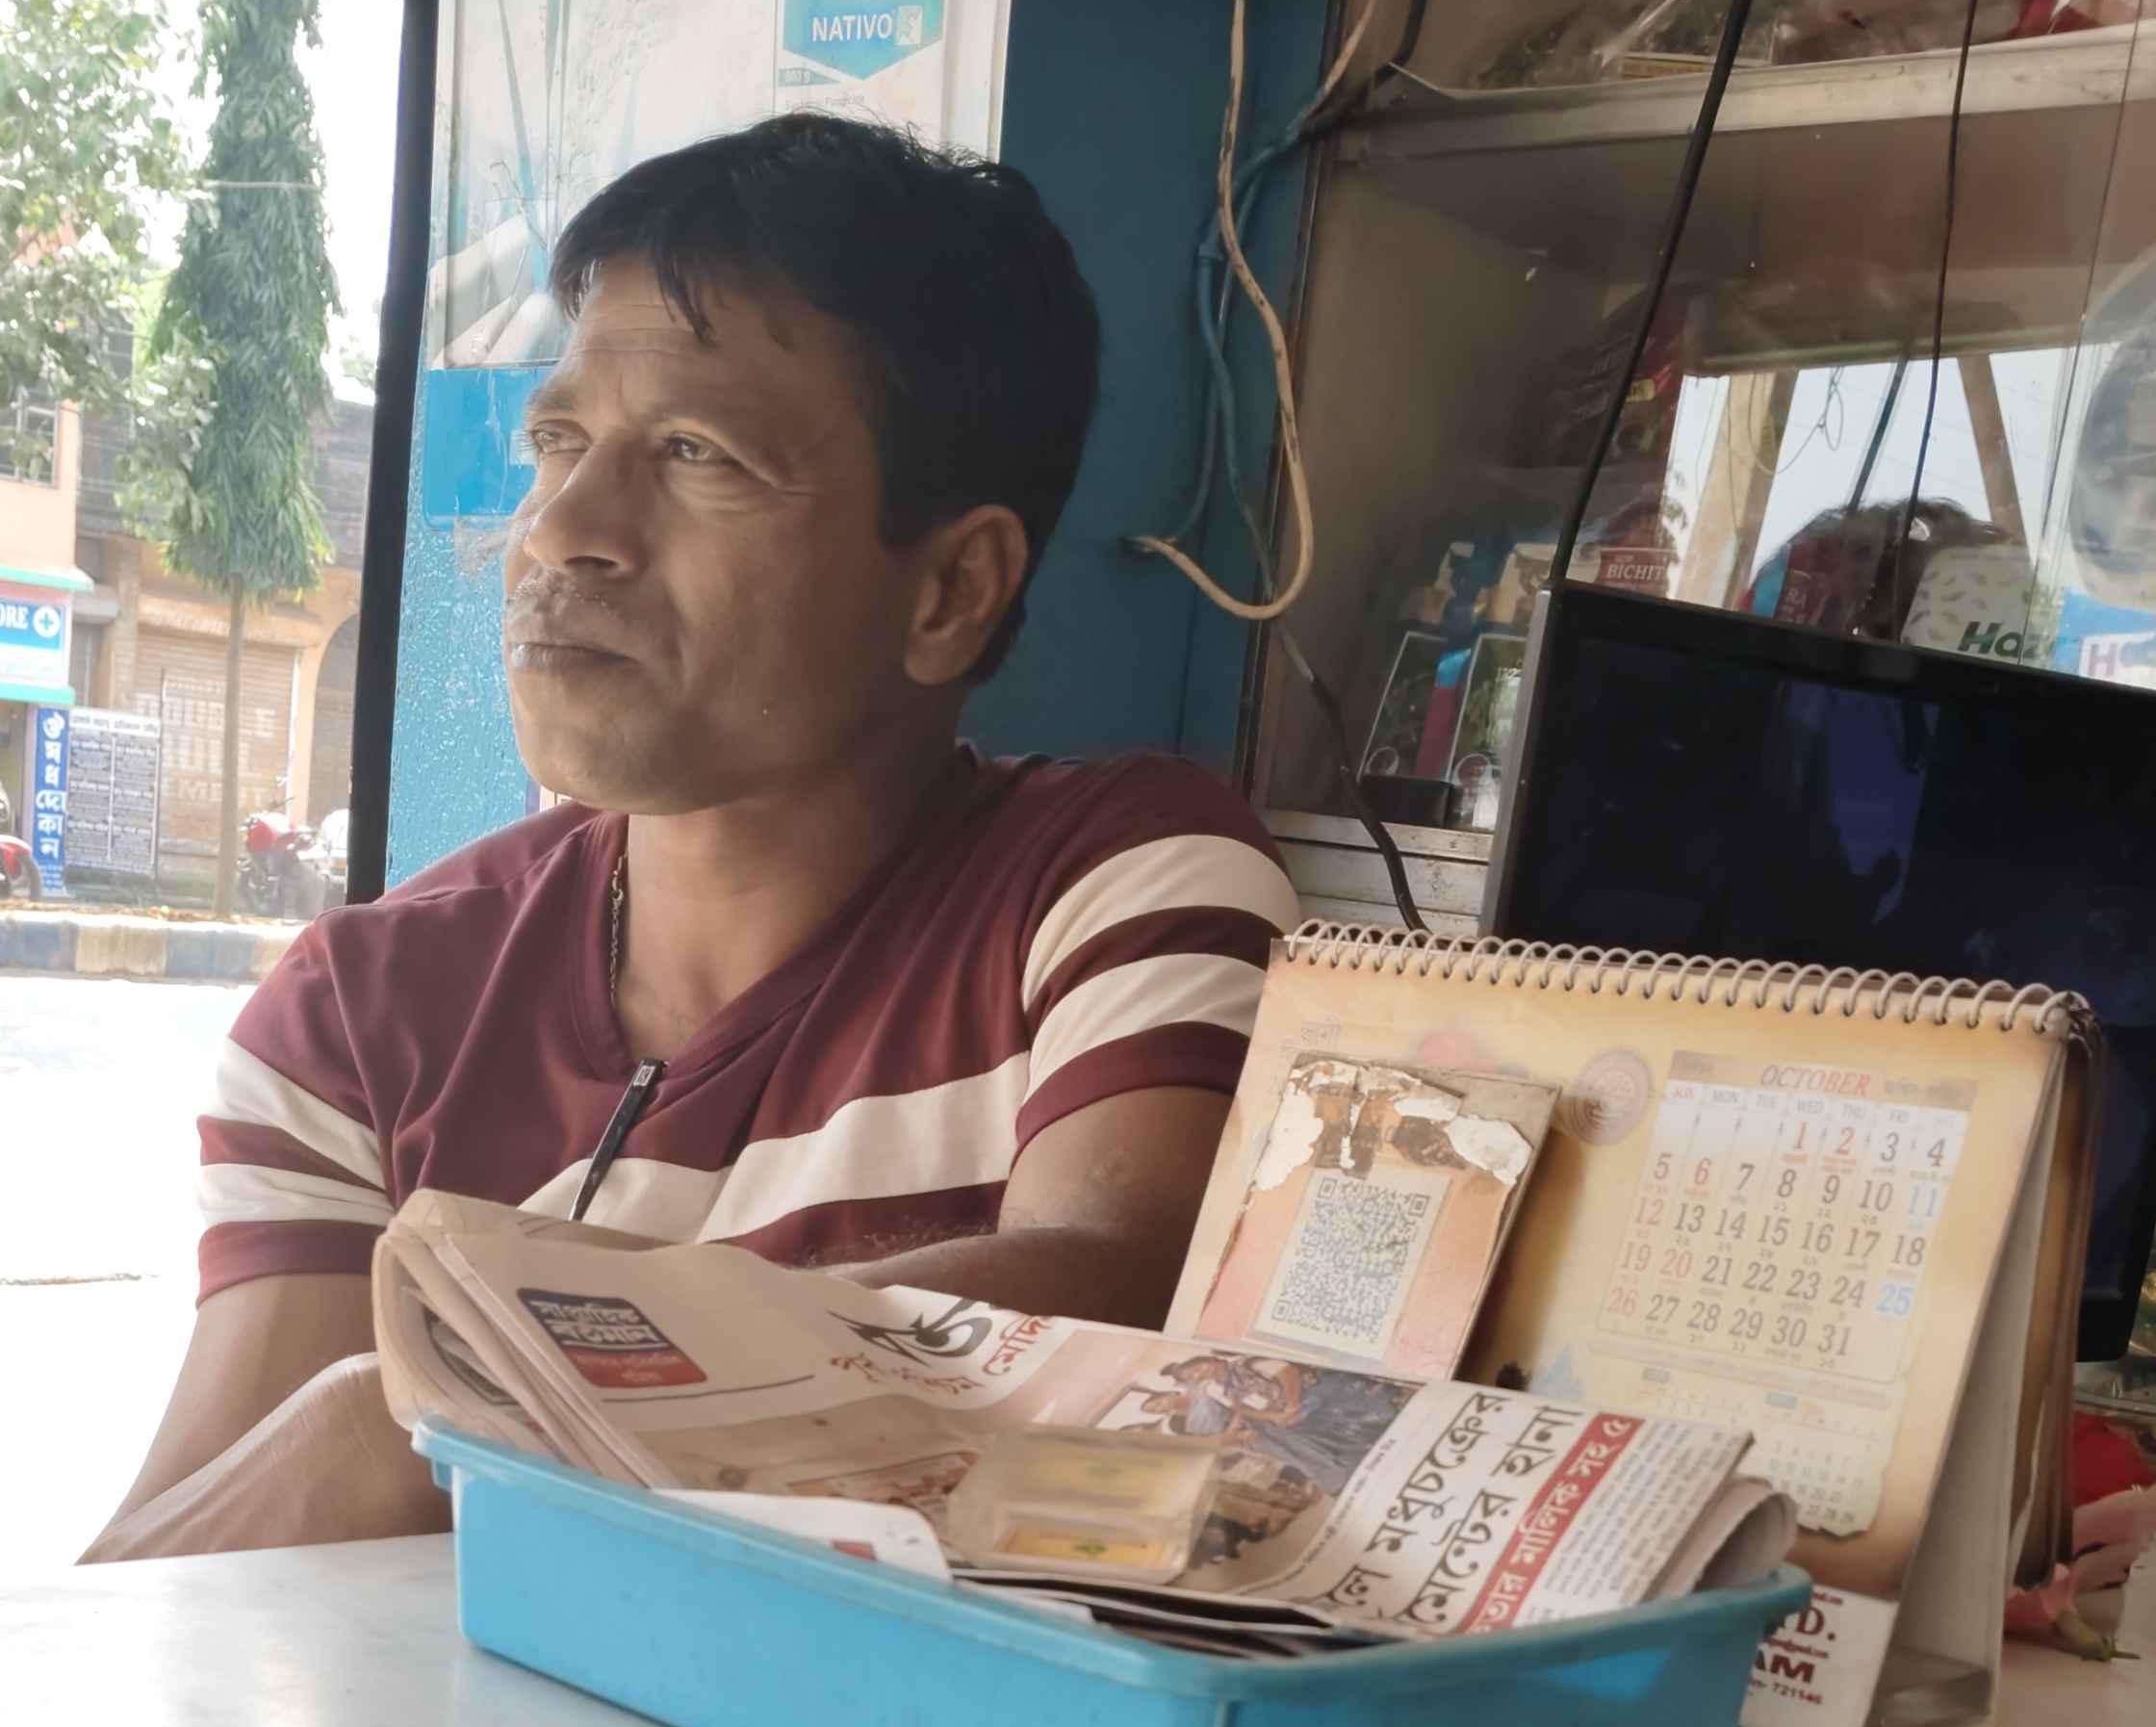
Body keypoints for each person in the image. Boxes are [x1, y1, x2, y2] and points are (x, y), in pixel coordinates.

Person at [88, 112, 1298, 1563]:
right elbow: (182, 1572)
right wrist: (375, 1433)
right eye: (559, 443)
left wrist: (447, 1409)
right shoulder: (361, 1013)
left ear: (950, 591)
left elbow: (1114, 1304)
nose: (561, 531)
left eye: (693, 453)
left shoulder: (1113, 886)